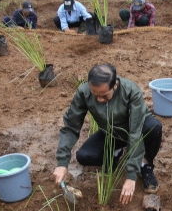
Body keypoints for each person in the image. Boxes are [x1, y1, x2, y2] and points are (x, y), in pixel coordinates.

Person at [53, 64, 163, 203]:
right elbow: (70, 127)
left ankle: (145, 165)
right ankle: (116, 152)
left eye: (104, 96)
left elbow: (135, 132)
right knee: (84, 156)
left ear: (115, 85)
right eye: (95, 95)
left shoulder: (130, 91)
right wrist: (62, 163)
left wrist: (131, 176)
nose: (99, 100)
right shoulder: (84, 92)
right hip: (110, 133)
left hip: (137, 129)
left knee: (154, 127)